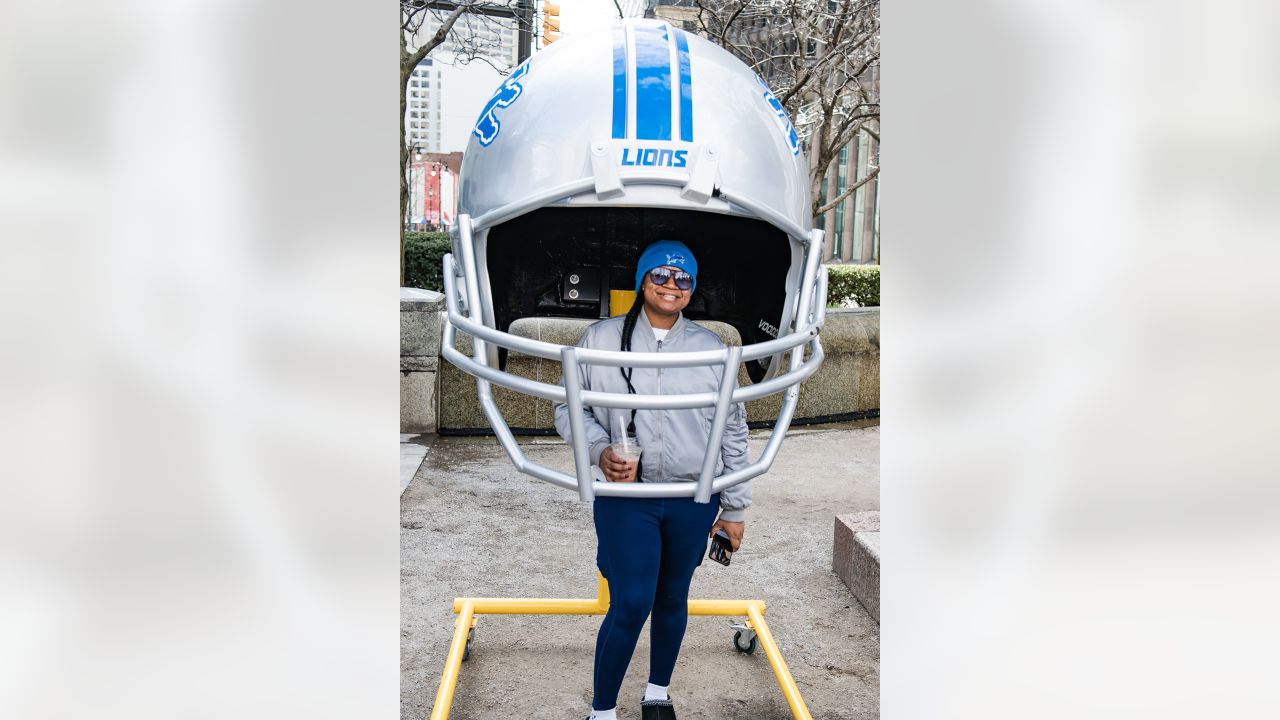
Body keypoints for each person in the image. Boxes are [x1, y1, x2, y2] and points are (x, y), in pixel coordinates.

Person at [553, 240, 750, 720]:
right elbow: (568, 409)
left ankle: (657, 693)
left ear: (692, 289)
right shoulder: (599, 340)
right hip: (627, 496)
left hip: (691, 494)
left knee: (671, 596)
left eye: (683, 279)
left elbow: (732, 428)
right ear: (642, 280)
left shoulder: (710, 348)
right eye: (660, 275)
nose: (671, 286)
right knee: (632, 600)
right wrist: (600, 451)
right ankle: (602, 711)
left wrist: (736, 507)